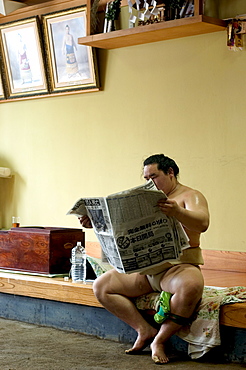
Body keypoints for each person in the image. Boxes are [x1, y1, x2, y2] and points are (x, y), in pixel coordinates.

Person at [79, 154, 209, 364]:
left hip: (178, 268)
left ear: (170, 173)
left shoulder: (190, 195)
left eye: (154, 177)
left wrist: (177, 211)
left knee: (191, 286)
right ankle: (144, 329)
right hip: (145, 270)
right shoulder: (142, 200)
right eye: (146, 178)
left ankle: (160, 339)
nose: (150, 182)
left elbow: (203, 222)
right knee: (101, 286)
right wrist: (94, 222)